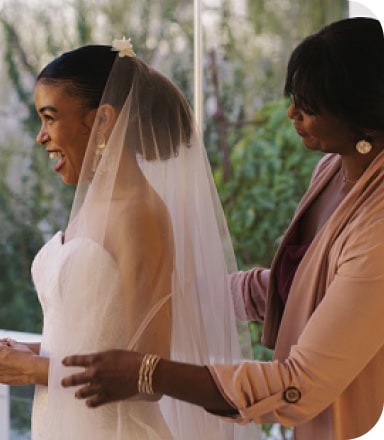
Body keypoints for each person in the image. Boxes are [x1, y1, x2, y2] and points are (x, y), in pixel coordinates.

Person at [56, 17, 384, 440]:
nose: (292, 114)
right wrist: (174, 295)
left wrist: (150, 372)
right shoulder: (331, 171)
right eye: (294, 98)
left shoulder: (377, 229)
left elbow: (299, 383)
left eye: (310, 104)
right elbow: (299, 290)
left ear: (363, 115)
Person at [0, 40, 258, 439]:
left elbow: (146, 372)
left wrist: (35, 370)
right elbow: (95, 337)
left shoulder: (141, 214)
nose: (40, 137)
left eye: (49, 118)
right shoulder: (90, 206)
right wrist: (19, 354)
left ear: (102, 122)